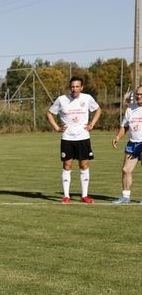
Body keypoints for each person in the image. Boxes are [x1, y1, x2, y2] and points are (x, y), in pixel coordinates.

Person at [46, 76, 102, 204]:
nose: (74, 89)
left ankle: (84, 196)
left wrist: (92, 124)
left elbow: (98, 110)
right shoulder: (62, 99)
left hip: (83, 137)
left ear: (81, 87)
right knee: (67, 165)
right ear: (69, 87)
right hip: (67, 138)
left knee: (84, 165)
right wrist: (56, 127)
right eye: (72, 87)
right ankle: (66, 196)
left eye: (77, 87)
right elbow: (49, 113)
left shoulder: (87, 98)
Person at [110, 86, 142, 204]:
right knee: (126, 169)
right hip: (132, 143)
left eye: (141, 94)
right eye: (137, 94)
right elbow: (125, 126)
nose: (139, 96)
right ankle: (125, 196)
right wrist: (118, 137)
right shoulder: (130, 109)